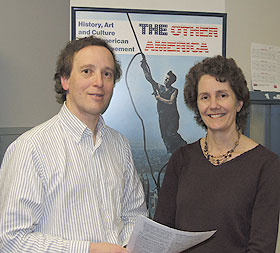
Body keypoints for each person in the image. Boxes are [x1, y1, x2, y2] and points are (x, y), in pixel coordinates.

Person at [0, 36, 147, 252]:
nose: (99, 82)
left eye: (107, 74)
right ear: (65, 80)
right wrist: (88, 250)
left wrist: (124, 245)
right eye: (87, 71)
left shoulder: (120, 145)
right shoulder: (31, 148)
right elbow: (11, 240)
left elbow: (134, 215)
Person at [154, 55, 280, 252]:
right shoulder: (181, 159)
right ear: (197, 105)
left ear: (239, 102)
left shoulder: (266, 165)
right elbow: (162, 234)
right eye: (205, 97)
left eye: (222, 95)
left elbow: (262, 247)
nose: (213, 105)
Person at [140, 56, 187, 154]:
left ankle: (184, 146)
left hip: (172, 116)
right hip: (162, 115)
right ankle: (174, 152)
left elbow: (171, 102)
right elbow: (150, 79)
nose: (165, 79)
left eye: (168, 79)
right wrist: (144, 67)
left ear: (171, 81)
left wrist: (159, 98)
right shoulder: (160, 88)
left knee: (171, 133)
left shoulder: (174, 90)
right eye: (166, 78)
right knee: (164, 135)